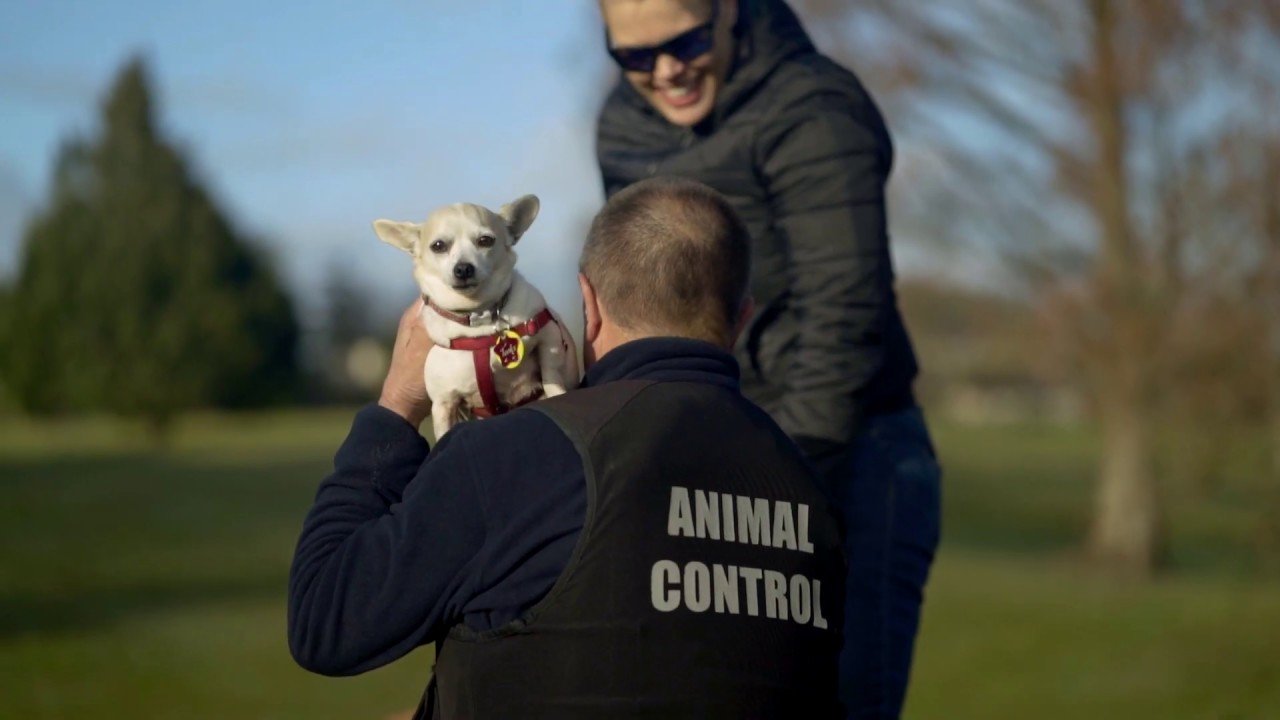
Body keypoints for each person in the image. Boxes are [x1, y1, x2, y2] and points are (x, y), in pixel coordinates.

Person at [288, 177, 847, 718]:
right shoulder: (810, 482)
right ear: (743, 318)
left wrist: (394, 409)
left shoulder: (508, 457)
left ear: (588, 304)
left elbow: (326, 622)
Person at [595, 1, 942, 718]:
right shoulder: (621, 123)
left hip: (852, 461)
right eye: (633, 56)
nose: (664, 71)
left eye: (685, 41)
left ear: (726, 10)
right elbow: (642, 311)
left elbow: (845, 319)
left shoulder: (814, 108)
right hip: (717, 465)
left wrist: (773, 494)